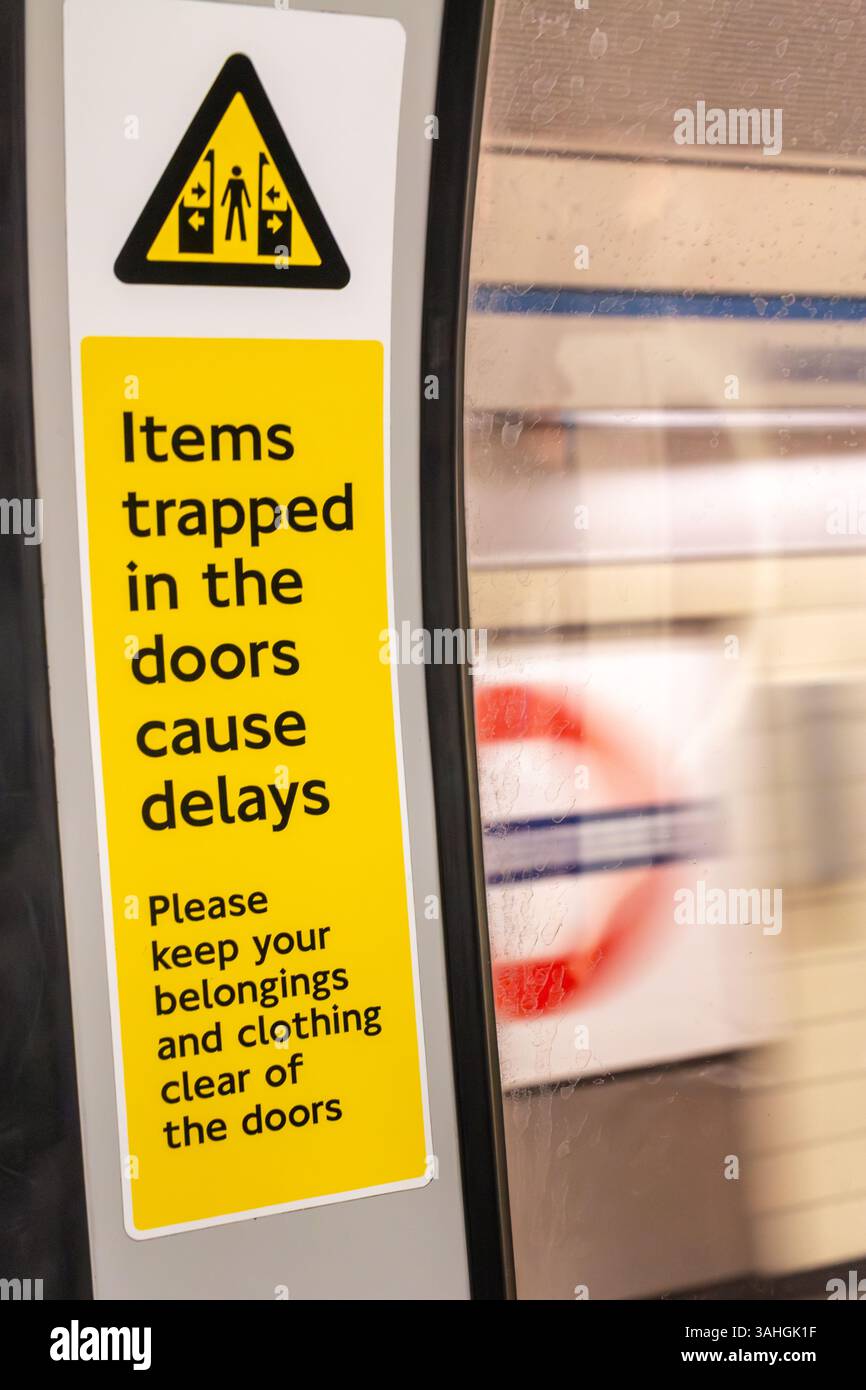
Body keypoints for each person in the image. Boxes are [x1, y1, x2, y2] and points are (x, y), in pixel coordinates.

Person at [221, 166, 251, 241]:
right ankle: (230, 237)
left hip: (237, 201)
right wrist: (223, 202)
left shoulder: (239, 181)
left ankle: (241, 237)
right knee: (232, 218)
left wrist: (248, 202)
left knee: (239, 218)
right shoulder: (232, 181)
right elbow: (227, 191)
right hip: (234, 201)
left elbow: (245, 192)